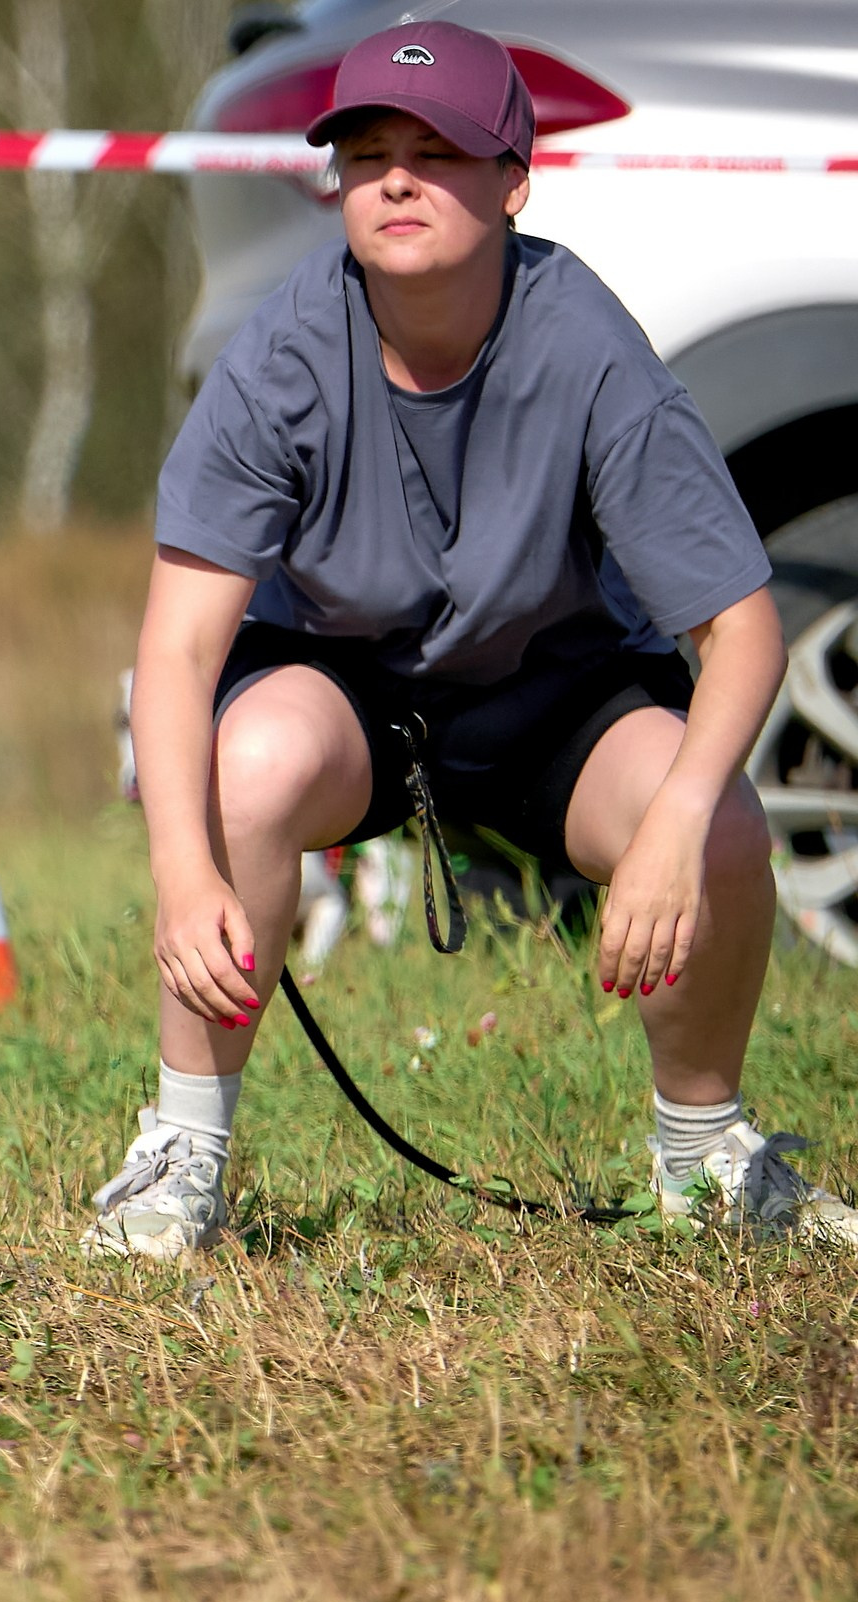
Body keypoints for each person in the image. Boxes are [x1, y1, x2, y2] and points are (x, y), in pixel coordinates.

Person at [88, 19, 858, 1258]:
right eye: (367, 149)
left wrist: (667, 832)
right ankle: (181, 1153)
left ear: (513, 182)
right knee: (251, 762)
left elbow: (743, 630)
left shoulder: (588, 343)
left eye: (440, 150)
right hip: (345, 701)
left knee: (713, 816)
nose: (396, 177)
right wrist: (184, 874)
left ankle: (707, 1158)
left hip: (555, 700)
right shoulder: (276, 357)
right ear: (334, 179)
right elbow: (176, 651)